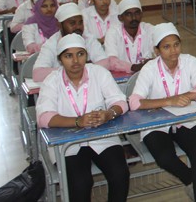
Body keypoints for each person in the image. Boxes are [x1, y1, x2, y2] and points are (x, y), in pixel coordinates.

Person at [36, 33, 129, 202]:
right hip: (68, 142)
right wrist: (78, 121)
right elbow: (44, 117)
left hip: (102, 137)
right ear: (60, 59)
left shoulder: (99, 73)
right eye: (68, 56)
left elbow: (121, 102)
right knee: (81, 183)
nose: (76, 61)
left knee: (120, 175)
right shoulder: (52, 81)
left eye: (80, 54)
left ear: (87, 55)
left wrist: (108, 114)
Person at [128, 23, 196, 202]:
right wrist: (169, 101)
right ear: (157, 50)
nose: (173, 51)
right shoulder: (150, 69)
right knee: (165, 157)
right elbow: (134, 102)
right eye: (166, 47)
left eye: (176, 44)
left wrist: (183, 97)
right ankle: (193, 180)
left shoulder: (190, 61)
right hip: (156, 123)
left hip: (184, 119)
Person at [33, 3, 110, 82]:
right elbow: (38, 74)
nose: (78, 27)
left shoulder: (89, 39)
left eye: (80, 22)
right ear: (59, 25)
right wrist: (73, 71)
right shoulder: (51, 44)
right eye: (72, 23)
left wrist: (77, 70)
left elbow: (105, 64)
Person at [104, 0, 155, 73]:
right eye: (128, 14)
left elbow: (161, 52)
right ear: (120, 18)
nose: (134, 18)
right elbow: (112, 61)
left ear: (141, 14)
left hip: (148, 74)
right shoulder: (112, 33)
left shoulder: (149, 29)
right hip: (122, 77)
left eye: (137, 13)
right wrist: (134, 67)